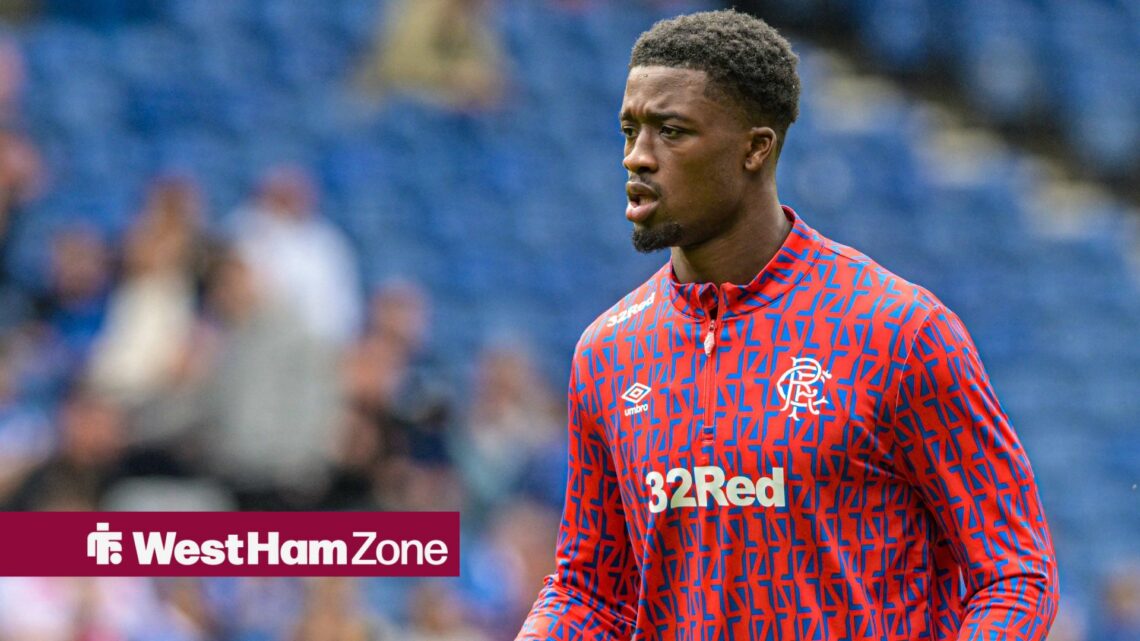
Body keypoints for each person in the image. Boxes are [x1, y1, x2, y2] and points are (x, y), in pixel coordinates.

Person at [517, 10, 1058, 641]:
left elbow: (1016, 573)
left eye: (671, 131)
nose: (638, 157)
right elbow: (590, 591)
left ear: (755, 147)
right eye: (629, 130)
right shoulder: (607, 352)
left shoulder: (897, 330)